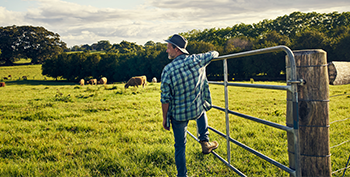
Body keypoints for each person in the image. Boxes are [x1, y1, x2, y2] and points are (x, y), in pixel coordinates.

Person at [160, 34, 219, 177]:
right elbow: (214, 53)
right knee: (202, 108)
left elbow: (165, 99)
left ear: (177, 49)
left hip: (178, 115)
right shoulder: (198, 59)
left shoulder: (168, 70)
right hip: (196, 110)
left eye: (168, 48)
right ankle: (204, 141)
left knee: (180, 146)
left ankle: (182, 175)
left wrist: (165, 119)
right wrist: (214, 53)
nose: (167, 51)